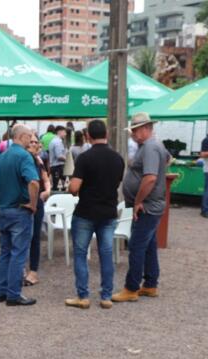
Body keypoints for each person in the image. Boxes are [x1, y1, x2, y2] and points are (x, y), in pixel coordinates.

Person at [66, 120, 124, 309]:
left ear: (88, 136)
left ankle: (83, 296)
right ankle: (106, 296)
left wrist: (71, 188)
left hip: (85, 212)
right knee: (106, 254)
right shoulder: (118, 158)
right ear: (106, 134)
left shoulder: (85, 158)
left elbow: (74, 188)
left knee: (81, 254)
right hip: (108, 212)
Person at [113, 113, 169, 303]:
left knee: (137, 246)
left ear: (145, 128)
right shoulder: (155, 146)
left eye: (135, 130)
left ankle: (131, 287)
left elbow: (150, 177)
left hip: (146, 206)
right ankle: (150, 284)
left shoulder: (150, 147)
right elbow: (168, 160)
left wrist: (138, 201)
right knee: (149, 245)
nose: (133, 134)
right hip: (151, 204)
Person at [0, 124, 39, 306]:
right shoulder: (24, 156)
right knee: (18, 253)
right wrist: (33, 204)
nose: (31, 140)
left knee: (5, 252)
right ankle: (13, 294)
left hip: (3, 209)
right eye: (29, 136)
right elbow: (34, 183)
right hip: (19, 210)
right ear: (21, 136)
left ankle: (1, 291)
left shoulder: (2, 156)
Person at [24, 133, 51, 286]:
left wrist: (47, 191)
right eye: (31, 141)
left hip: (37, 202)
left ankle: (33, 271)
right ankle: (21, 269)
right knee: (22, 237)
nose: (34, 144)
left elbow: (46, 180)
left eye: (36, 142)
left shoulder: (39, 161)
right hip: (24, 202)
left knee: (35, 236)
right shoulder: (23, 159)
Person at [48, 126, 67, 190]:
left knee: (57, 185)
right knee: (58, 186)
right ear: (59, 132)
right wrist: (68, 160)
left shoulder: (53, 141)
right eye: (64, 132)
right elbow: (59, 156)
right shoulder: (58, 142)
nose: (65, 134)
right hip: (57, 167)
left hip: (54, 167)